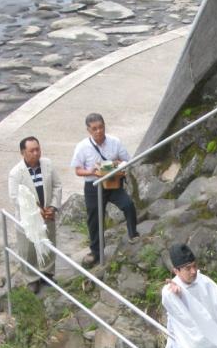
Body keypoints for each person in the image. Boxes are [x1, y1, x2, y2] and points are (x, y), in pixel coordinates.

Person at [70, 112, 139, 268]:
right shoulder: (82, 147)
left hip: (113, 182)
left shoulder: (115, 142)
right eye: (94, 129)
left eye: (101, 127)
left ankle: (133, 234)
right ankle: (96, 251)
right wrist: (92, 172)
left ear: (104, 126)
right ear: (88, 130)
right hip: (93, 186)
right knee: (94, 218)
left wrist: (115, 164)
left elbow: (127, 160)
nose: (98, 131)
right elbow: (78, 170)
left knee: (128, 204)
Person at [8, 136, 62, 293]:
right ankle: (31, 278)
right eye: (32, 150)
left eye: (38, 149)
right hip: (28, 218)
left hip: (47, 214)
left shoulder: (48, 164)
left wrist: (52, 206)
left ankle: (47, 273)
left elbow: (57, 185)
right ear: (23, 152)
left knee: (49, 243)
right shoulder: (16, 173)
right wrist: (35, 210)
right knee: (28, 249)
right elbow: (14, 198)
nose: (36, 153)